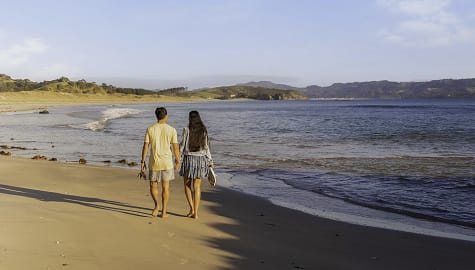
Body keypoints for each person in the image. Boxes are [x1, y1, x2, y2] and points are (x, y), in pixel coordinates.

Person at [141, 107, 180, 218]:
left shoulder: (150, 129)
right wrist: (178, 160)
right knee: (165, 188)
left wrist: (142, 162)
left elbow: (145, 146)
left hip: (154, 162)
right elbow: (175, 147)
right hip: (167, 162)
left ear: (156, 116)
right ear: (166, 116)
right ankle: (164, 212)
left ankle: (157, 206)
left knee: (153, 186)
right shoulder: (172, 130)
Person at [179, 110, 213, 219]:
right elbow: (206, 147)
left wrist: (176, 156)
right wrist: (210, 161)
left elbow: (182, 146)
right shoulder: (204, 130)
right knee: (197, 187)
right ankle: (196, 213)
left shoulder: (186, 130)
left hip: (189, 160)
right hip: (201, 160)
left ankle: (191, 209)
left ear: (190, 119)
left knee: (187, 185)